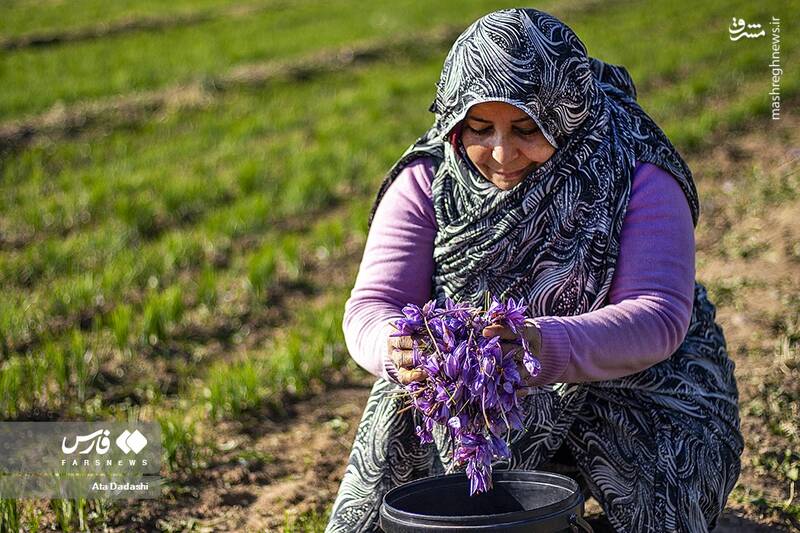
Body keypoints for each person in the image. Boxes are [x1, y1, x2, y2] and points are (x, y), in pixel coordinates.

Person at [326, 8, 743, 533]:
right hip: (482, 396)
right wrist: (398, 349)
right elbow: (373, 306)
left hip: (631, 378)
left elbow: (657, 315)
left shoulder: (634, 170)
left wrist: (537, 347)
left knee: (666, 485)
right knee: (405, 398)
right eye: (480, 129)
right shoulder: (428, 180)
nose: (502, 154)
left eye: (528, 129)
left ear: (567, 114)